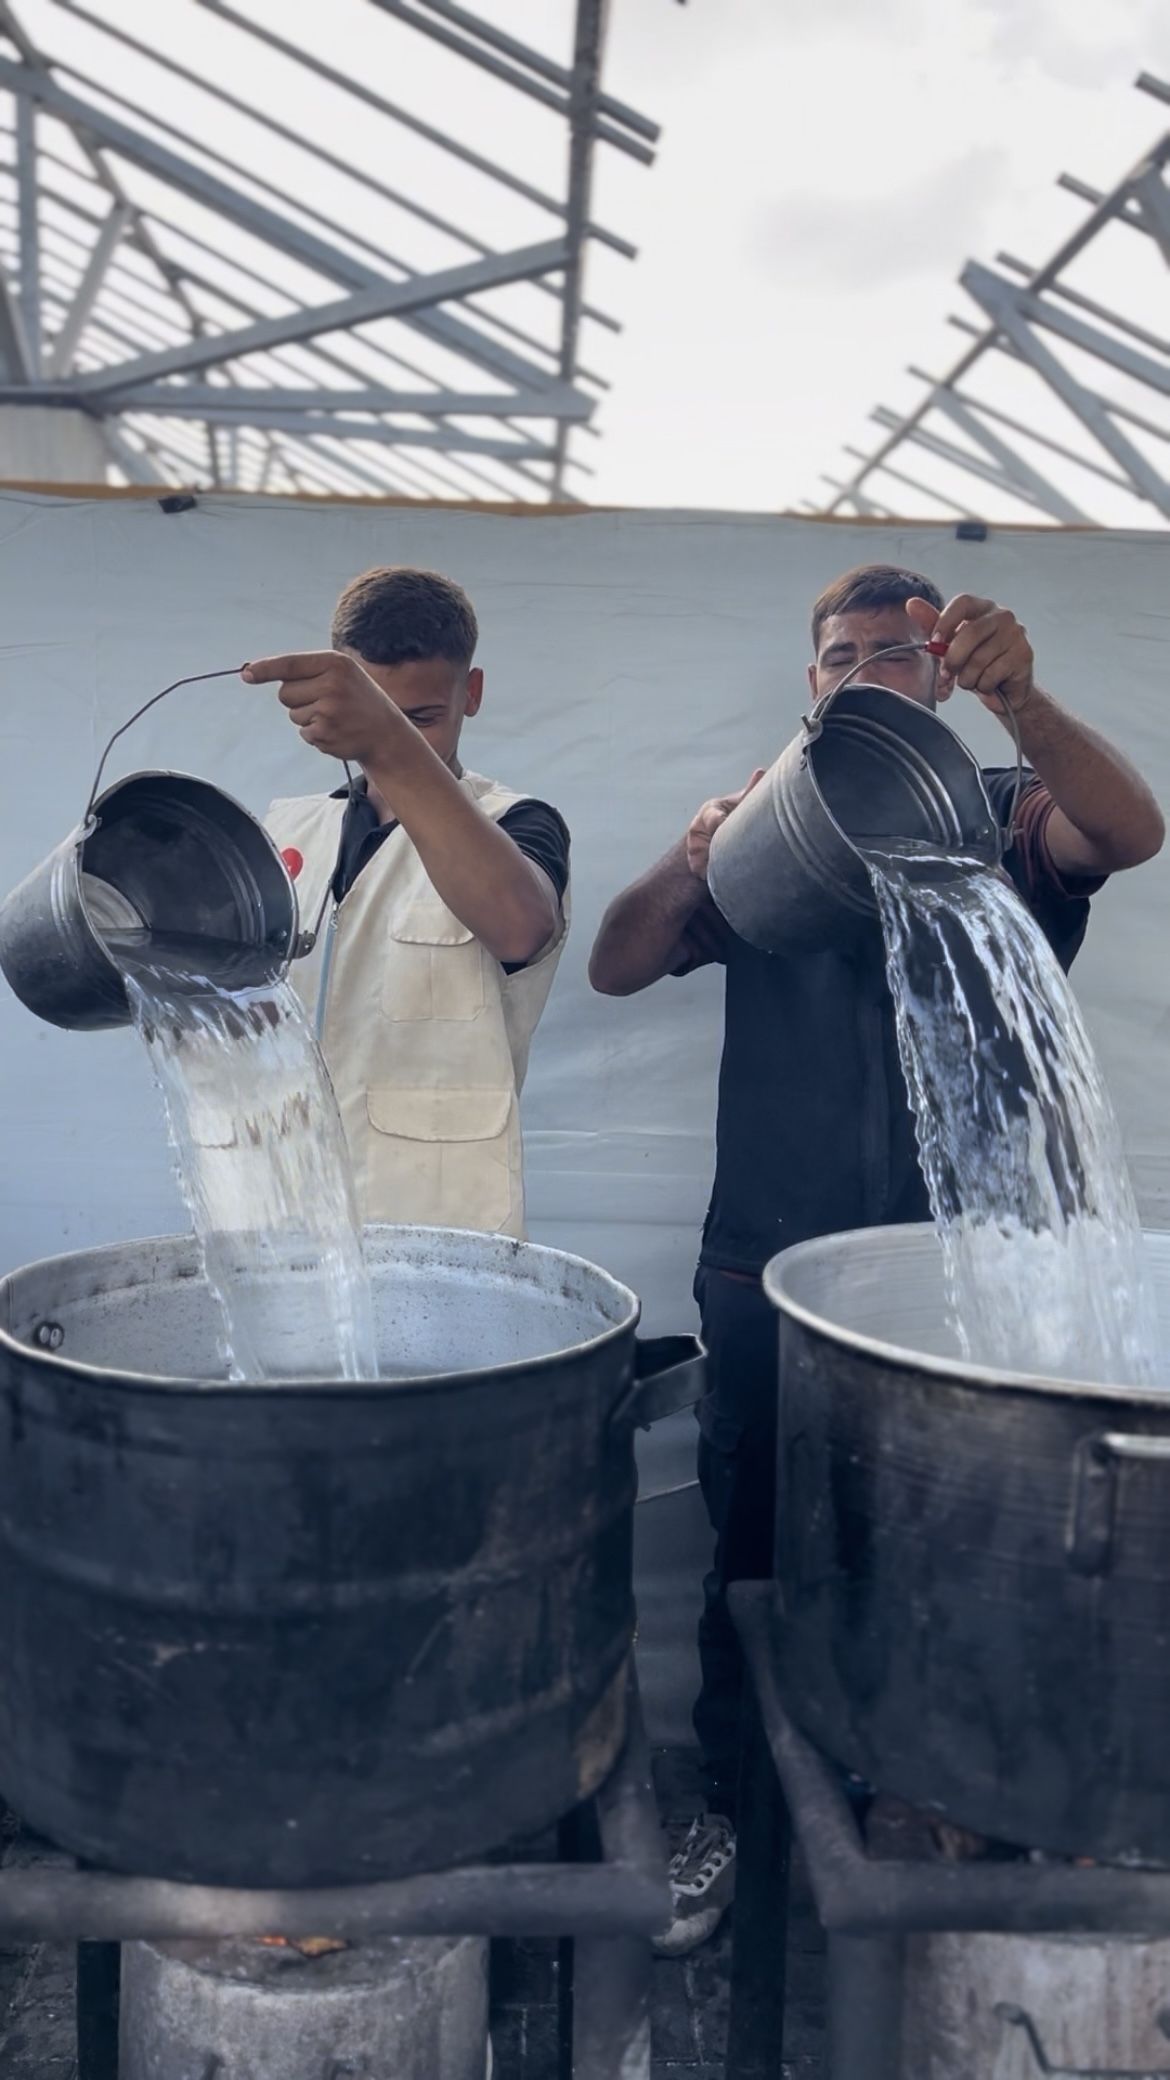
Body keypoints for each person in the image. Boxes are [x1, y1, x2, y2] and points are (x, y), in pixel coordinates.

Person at [588, 563, 1165, 1953]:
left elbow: (1126, 831)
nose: (864, 671)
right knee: (752, 1553)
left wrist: (1026, 702)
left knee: (957, 1547)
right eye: (841, 655)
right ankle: (739, 1813)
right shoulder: (764, 831)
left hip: (963, 1272)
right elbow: (615, 962)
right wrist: (691, 850)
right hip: (765, 1270)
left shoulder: (996, 815)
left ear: (941, 672)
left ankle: (931, 1810)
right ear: (812, 681)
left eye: (893, 652)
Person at [243, 565, 569, 1237]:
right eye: (381, 716)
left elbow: (519, 927)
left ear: (471, 692)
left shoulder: (517, 824)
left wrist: (384, 738)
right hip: (287, 1206)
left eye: (421, 719)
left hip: (442, 1220)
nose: (401, 737)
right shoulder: (286, 831)